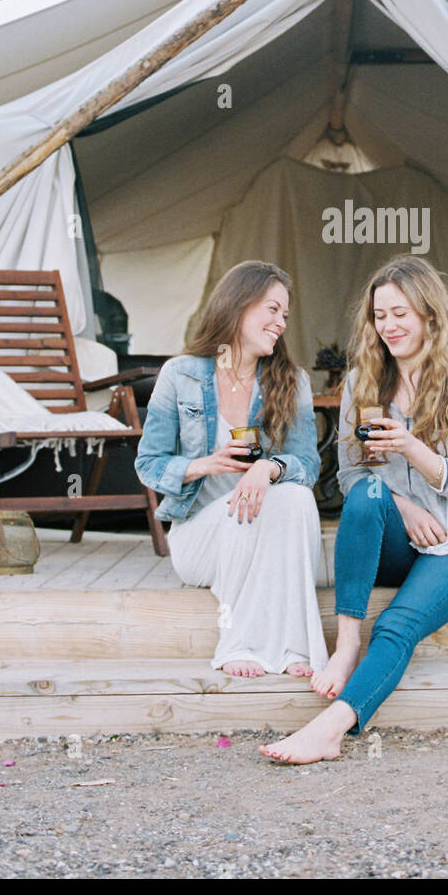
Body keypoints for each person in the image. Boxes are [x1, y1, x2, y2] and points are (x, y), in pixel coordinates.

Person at [259, 255, 448, 763]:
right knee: (369, 494)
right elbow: (349, 478)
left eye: (401, 314)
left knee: (395, 625)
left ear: (430, 316)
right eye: (380, 316)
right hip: (399, 537)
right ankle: (347, 642)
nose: (388, 326)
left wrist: (412, 447)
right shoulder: (362, 383)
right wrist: (404, 506)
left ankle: (331, 729)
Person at [135, 260, 327, 678]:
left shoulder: (290, 380)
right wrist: (203, 465)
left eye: (286, 315)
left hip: (261, 525)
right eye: (272, 309)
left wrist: (269, 470)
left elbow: (308, 464)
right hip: (199, 537)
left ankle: (295, 645)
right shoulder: (180, 375)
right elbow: (148, 465)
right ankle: (241, 641)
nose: (280, 323)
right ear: (238, 305)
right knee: (249, 506)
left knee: (293, 494)